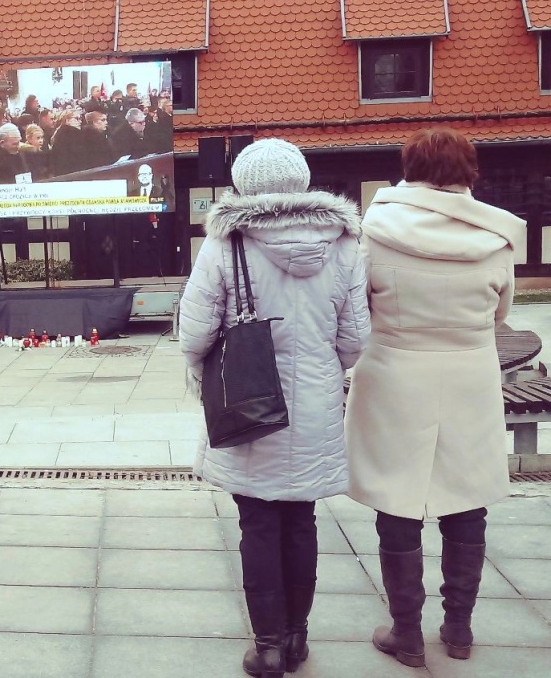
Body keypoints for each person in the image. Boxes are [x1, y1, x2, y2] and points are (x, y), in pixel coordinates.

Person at [180, 138, 370, 678]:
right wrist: (320, 366)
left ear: (243, 185)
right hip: (314, 404)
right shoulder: (343, 245)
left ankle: (265, 646)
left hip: (247, 402)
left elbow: (194, 335)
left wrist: (203, 371)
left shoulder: (226, 244)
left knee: (258, 523)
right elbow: (356, 339)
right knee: (301, 520)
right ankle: (295, 638)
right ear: (302, 181)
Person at [344, 128, 525, 668]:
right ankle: (460, 628)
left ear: (408, 168)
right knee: (466, 496)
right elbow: (501, 313)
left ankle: (406, 633)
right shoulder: (496, 238)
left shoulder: (373, 231)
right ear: (469, 171)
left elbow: (359, 310)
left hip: (394, 374)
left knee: (396, 499)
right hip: (469, 376)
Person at [49, 108, 87, 176]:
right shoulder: (72, 136)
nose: (80, 121)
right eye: (76, 118)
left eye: (80, 118)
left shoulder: (59, 134)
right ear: (67, 120)